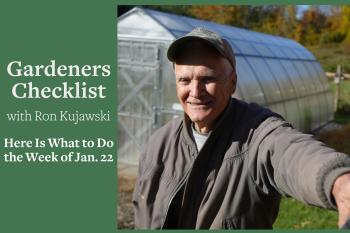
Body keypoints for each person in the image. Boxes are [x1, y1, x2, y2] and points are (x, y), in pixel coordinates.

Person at [132, 27, 350, 229]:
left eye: (207, 78)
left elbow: (290, 153)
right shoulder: (159, 143)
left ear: (232, 82)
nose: (195, 91)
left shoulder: (257, 134)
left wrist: (339, 182)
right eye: (184, 80)